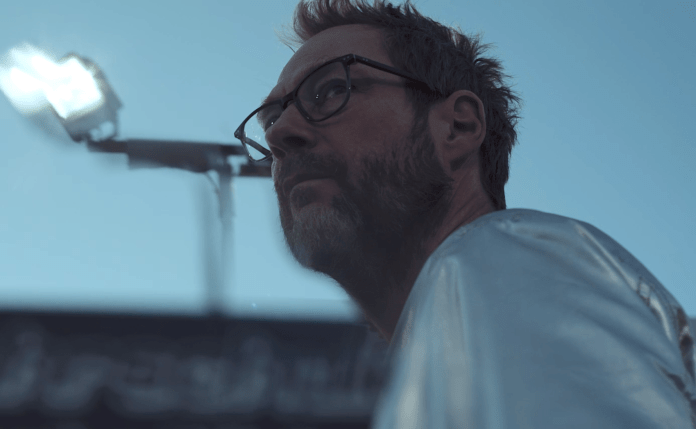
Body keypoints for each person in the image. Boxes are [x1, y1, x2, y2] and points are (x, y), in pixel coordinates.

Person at [234, 0, 696, 427]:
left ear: (457, 127)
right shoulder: (434, 364)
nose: (278, 134)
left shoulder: (496, 258)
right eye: (271, 119)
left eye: (331, 89)